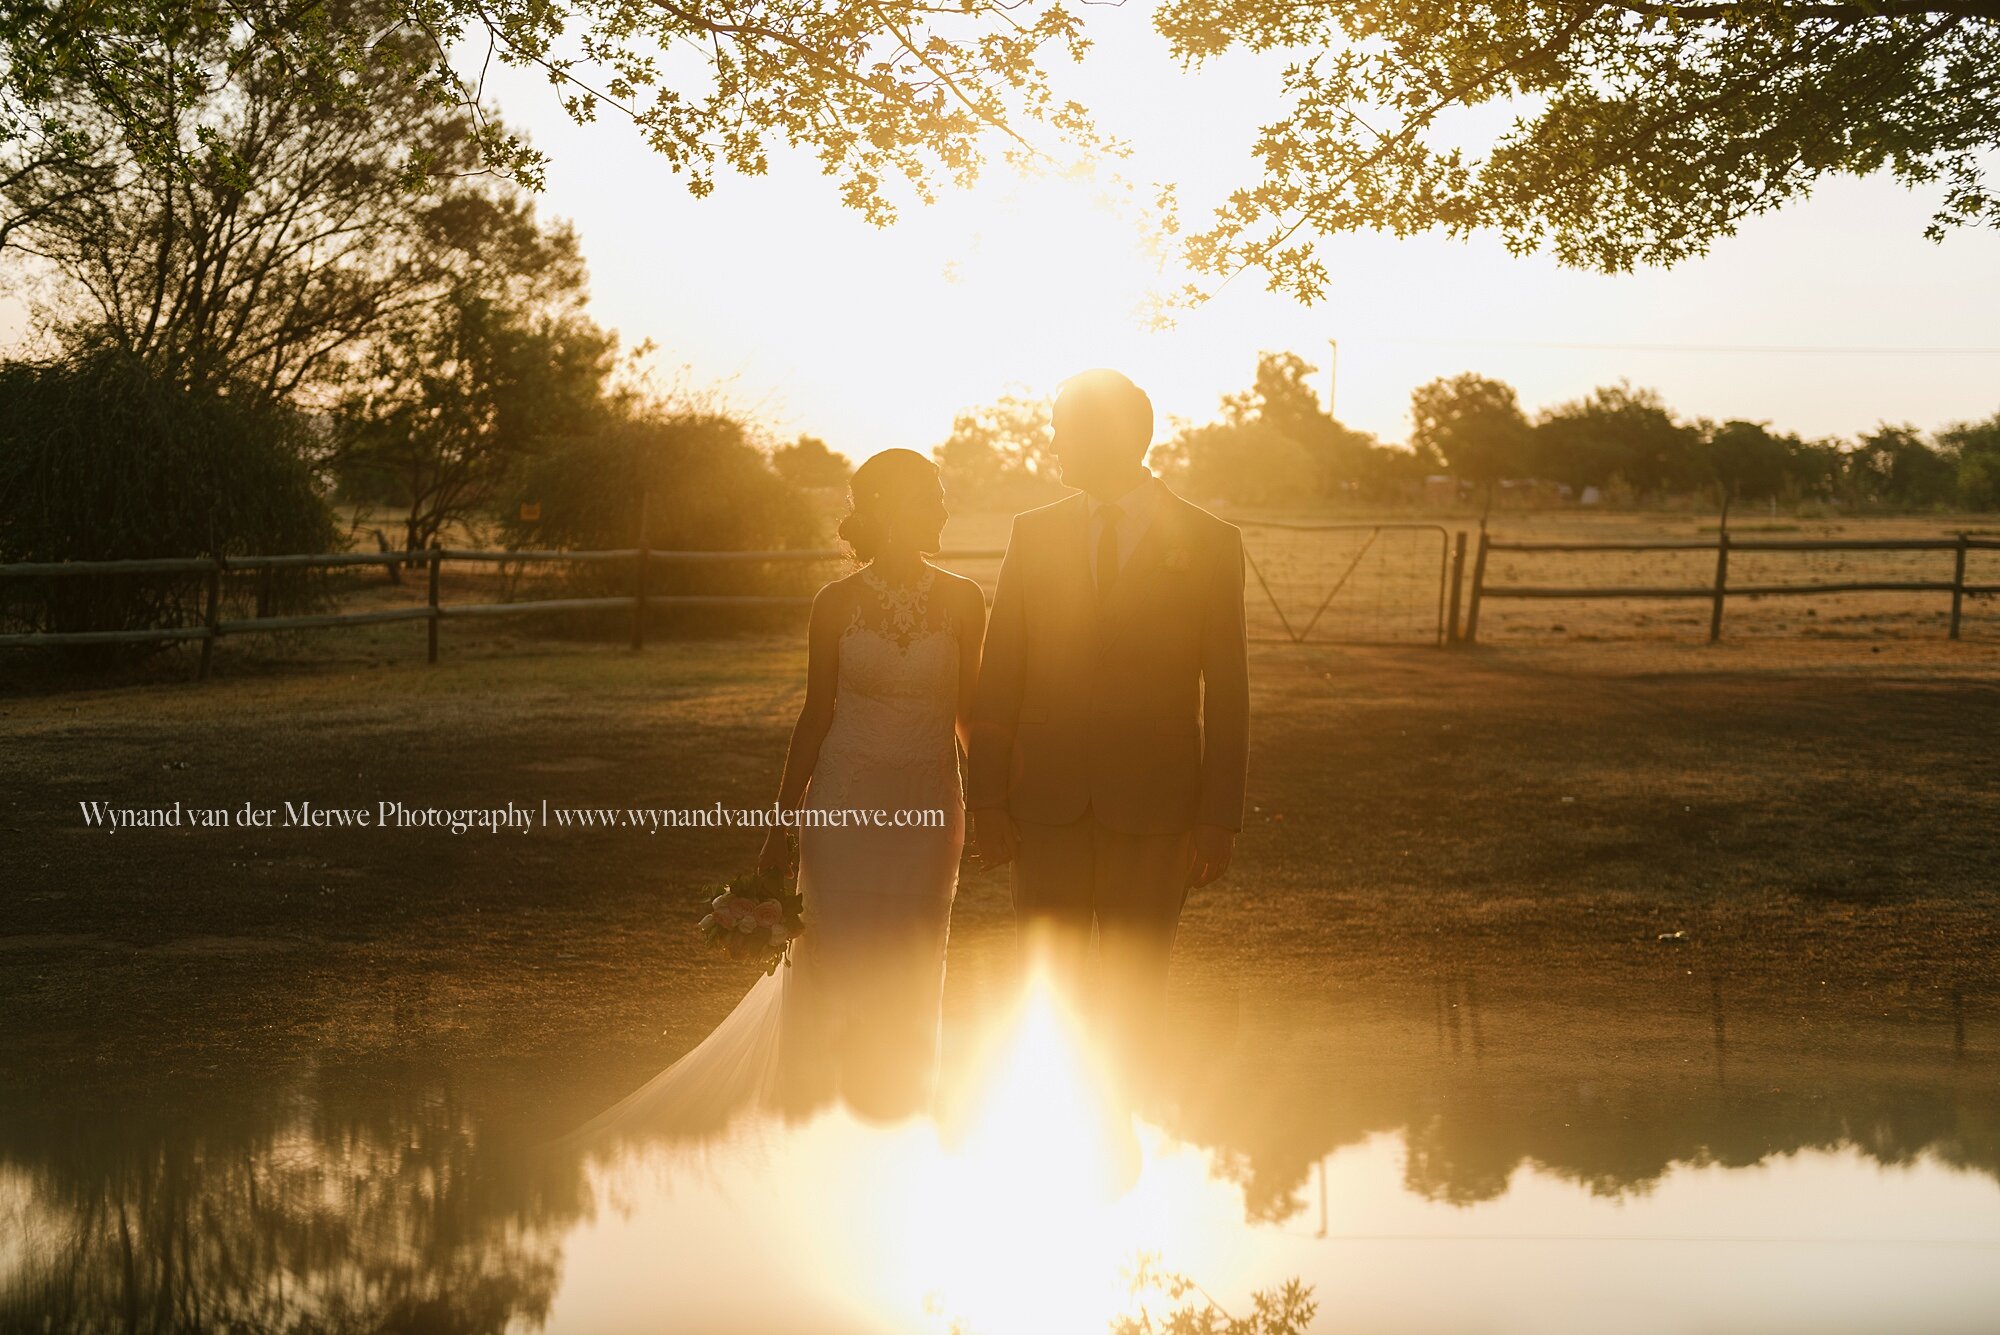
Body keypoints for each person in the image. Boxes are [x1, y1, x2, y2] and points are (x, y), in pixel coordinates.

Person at [564, 448, 987, 1145]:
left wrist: (999, 803)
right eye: (933, 495)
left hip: (929, 810)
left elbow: (972, 714)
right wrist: (778, 825)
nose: (945, 508)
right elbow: (816, 714)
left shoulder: (966, 599)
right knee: (837, 962)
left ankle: (898, 1121)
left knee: (915, 963)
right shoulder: (836, 604)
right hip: (843, 809)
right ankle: (816, 1120)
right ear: (890, 506)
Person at [967, 368, 1249, 1091]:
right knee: (1047, 993)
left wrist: (1218, 816)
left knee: (1134, 997)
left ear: (1113, 437)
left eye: (1063, 429)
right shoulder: (1032, 534)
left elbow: (1228, 690)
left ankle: (1124, 1154)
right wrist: (988, 801)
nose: (1053, 443)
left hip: (1156, 811)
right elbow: (1000, 673)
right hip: (1044, 806)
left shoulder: (1212, 542)